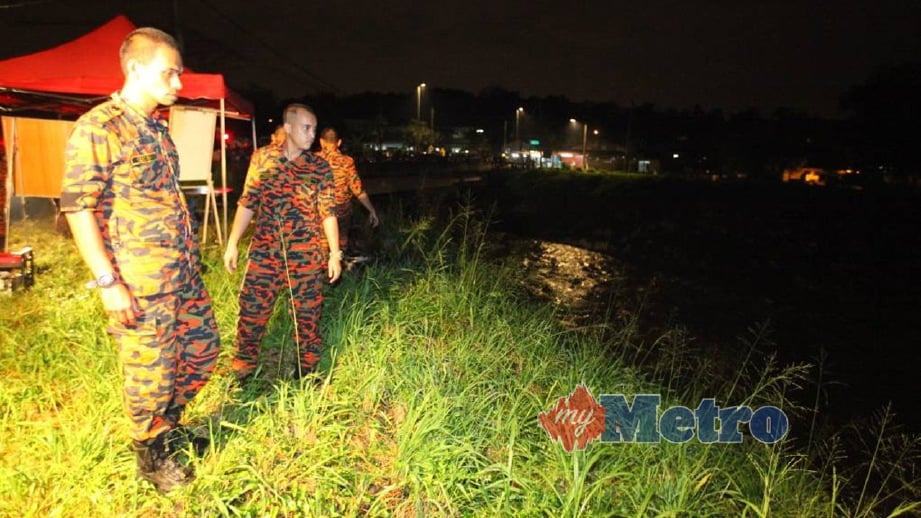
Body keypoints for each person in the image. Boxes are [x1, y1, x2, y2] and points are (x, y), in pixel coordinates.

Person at [60, 27, 220, 493]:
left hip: (182, 274)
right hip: (139, 280)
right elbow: (78, 207)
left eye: (180, 73)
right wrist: (109, 281)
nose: (178, 83)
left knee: (202, 350)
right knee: (149, 371)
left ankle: (165, 427)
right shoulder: (99, 127)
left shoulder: (157, 130)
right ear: (135, 68)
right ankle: (149, 454)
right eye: (169, 72)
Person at [223, 104, 341, 384]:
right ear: (288, 128)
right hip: (266, 253)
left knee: (308, 315)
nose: (312, 135)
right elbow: (247, 202)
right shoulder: (263, 159)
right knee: (252, 310)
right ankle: (244, 366)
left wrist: (335, 253)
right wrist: (232, 243)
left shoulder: (319, 166)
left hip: (306, 255)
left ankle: (307, 369)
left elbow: (327, 211)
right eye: (306, 128)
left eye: (314, 128)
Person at [315, 127, 379, 256]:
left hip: (320, 212)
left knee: (322, 244)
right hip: (342, 211)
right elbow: (358, 190)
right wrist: (372, 210)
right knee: (340, 243)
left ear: (321, 142)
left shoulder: (313, 160)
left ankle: (323, 269)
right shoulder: (347, 162)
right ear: (339, 142)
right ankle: (339, 267)